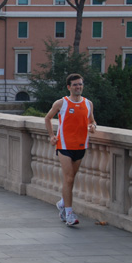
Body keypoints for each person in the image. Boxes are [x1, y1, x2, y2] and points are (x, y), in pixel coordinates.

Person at [44, 73, 97, 226]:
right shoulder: (61, 103)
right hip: (64, 146)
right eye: (75, 84)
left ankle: (62, 204)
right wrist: (51, 135)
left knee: (71, 179)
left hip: (81, 146)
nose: (78, 87)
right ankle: (69, 213)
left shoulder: (88, 103)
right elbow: (47, 118)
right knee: (68, 178)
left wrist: (92, 126)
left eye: (80, 84)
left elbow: (92, 121)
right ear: (69, 87)